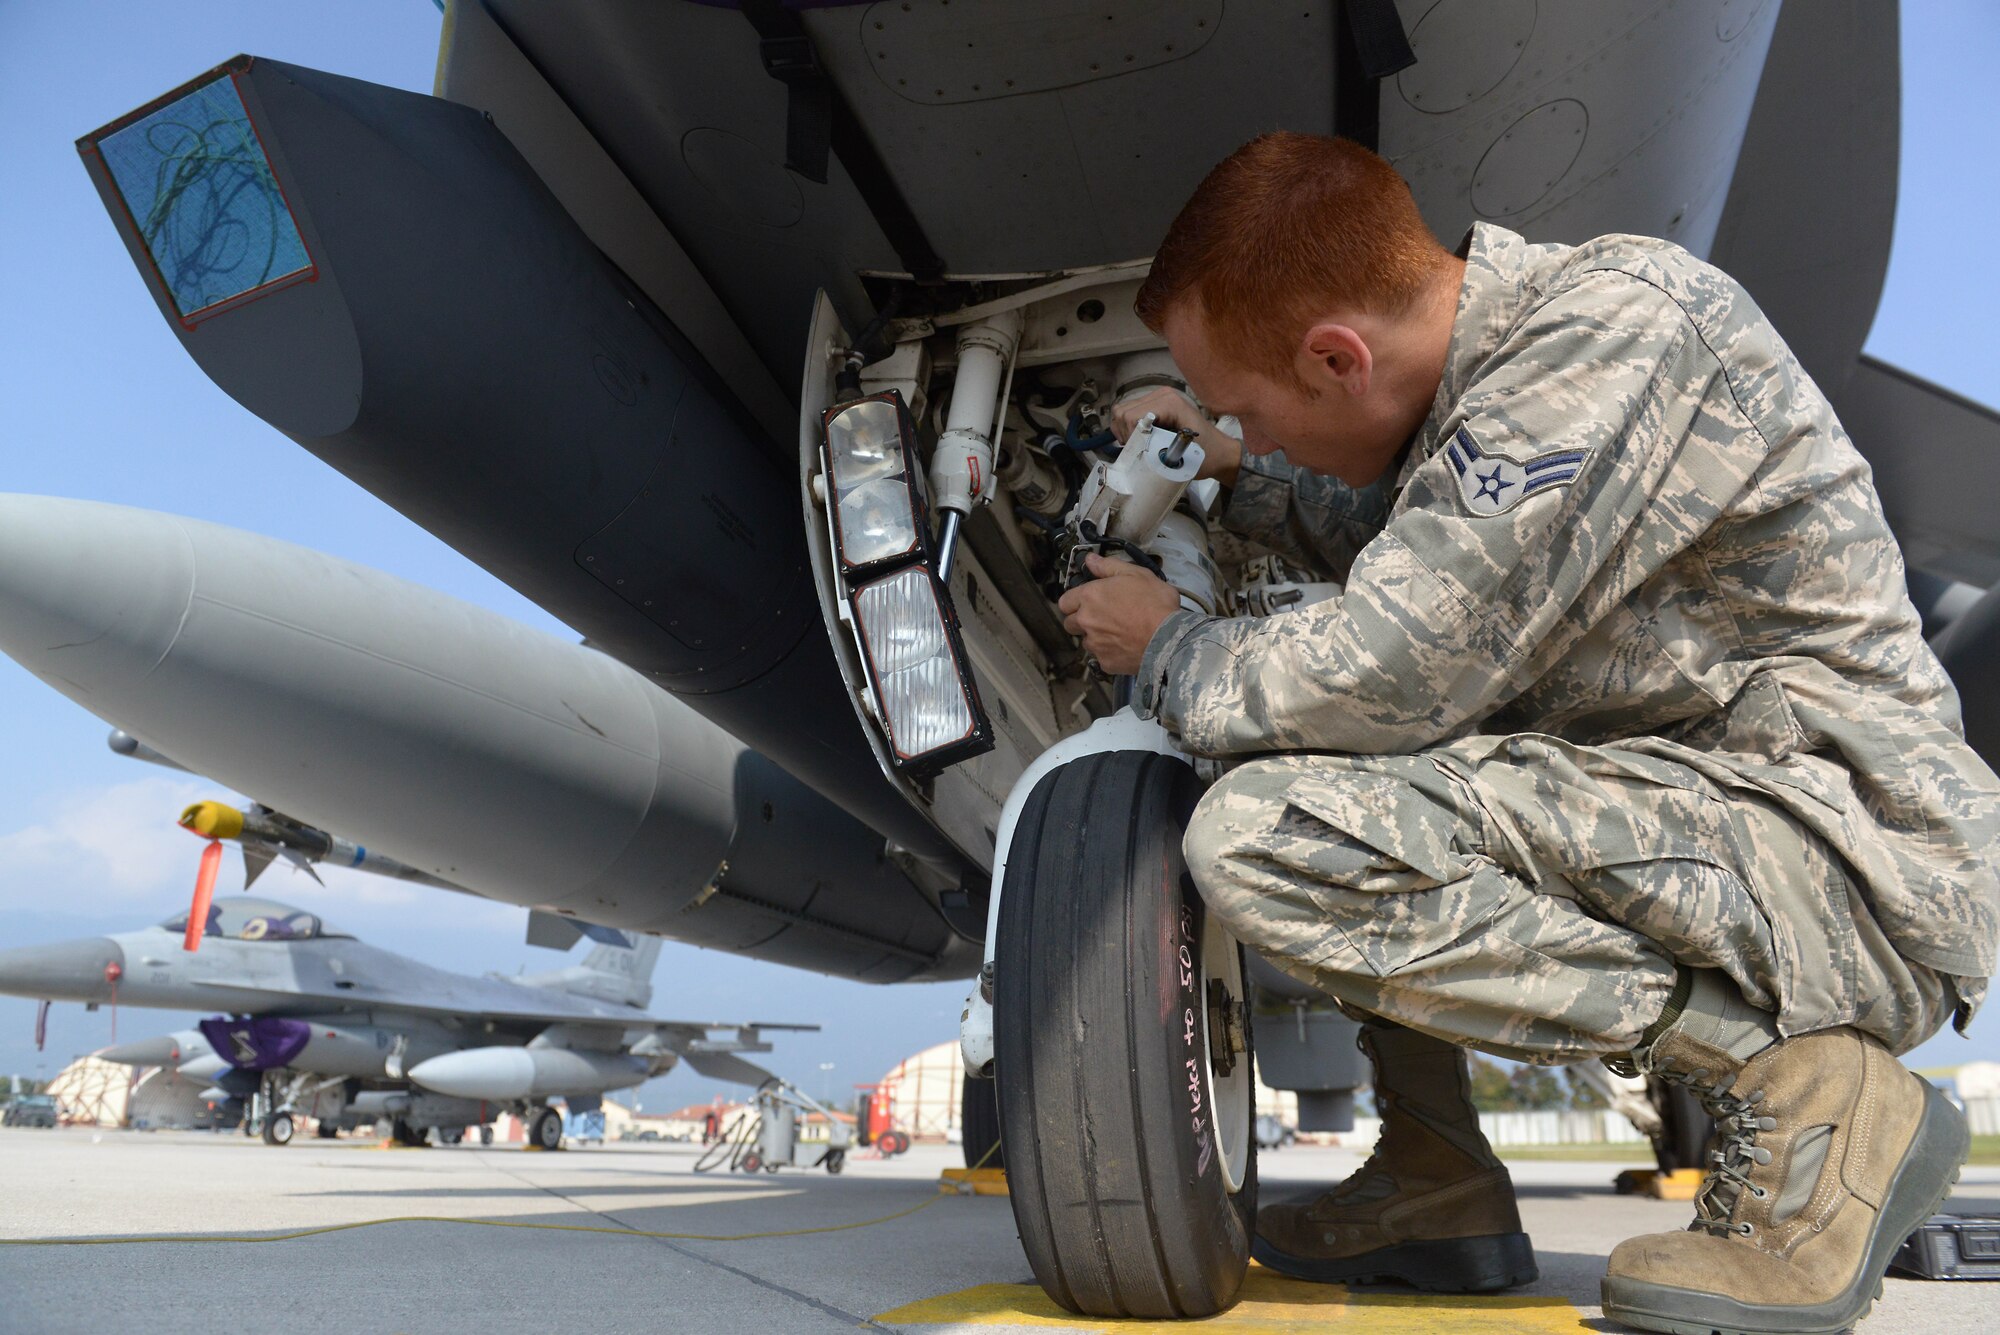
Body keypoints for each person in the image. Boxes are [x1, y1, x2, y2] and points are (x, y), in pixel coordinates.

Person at [1057, 132, 1997, 1335]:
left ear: (1336, 355)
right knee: (1337, 773)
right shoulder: (1493, 389)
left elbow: (1383, 672)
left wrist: (1169, 646)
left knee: (1270, 829)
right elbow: (1418, 533)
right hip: (1698, 828)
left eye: (1254, 408)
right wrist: (1234, 470)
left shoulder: (1609, 332)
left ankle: (1809, 1089)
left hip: (1838, 855)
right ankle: (1436, 1180)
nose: (1261, 434)